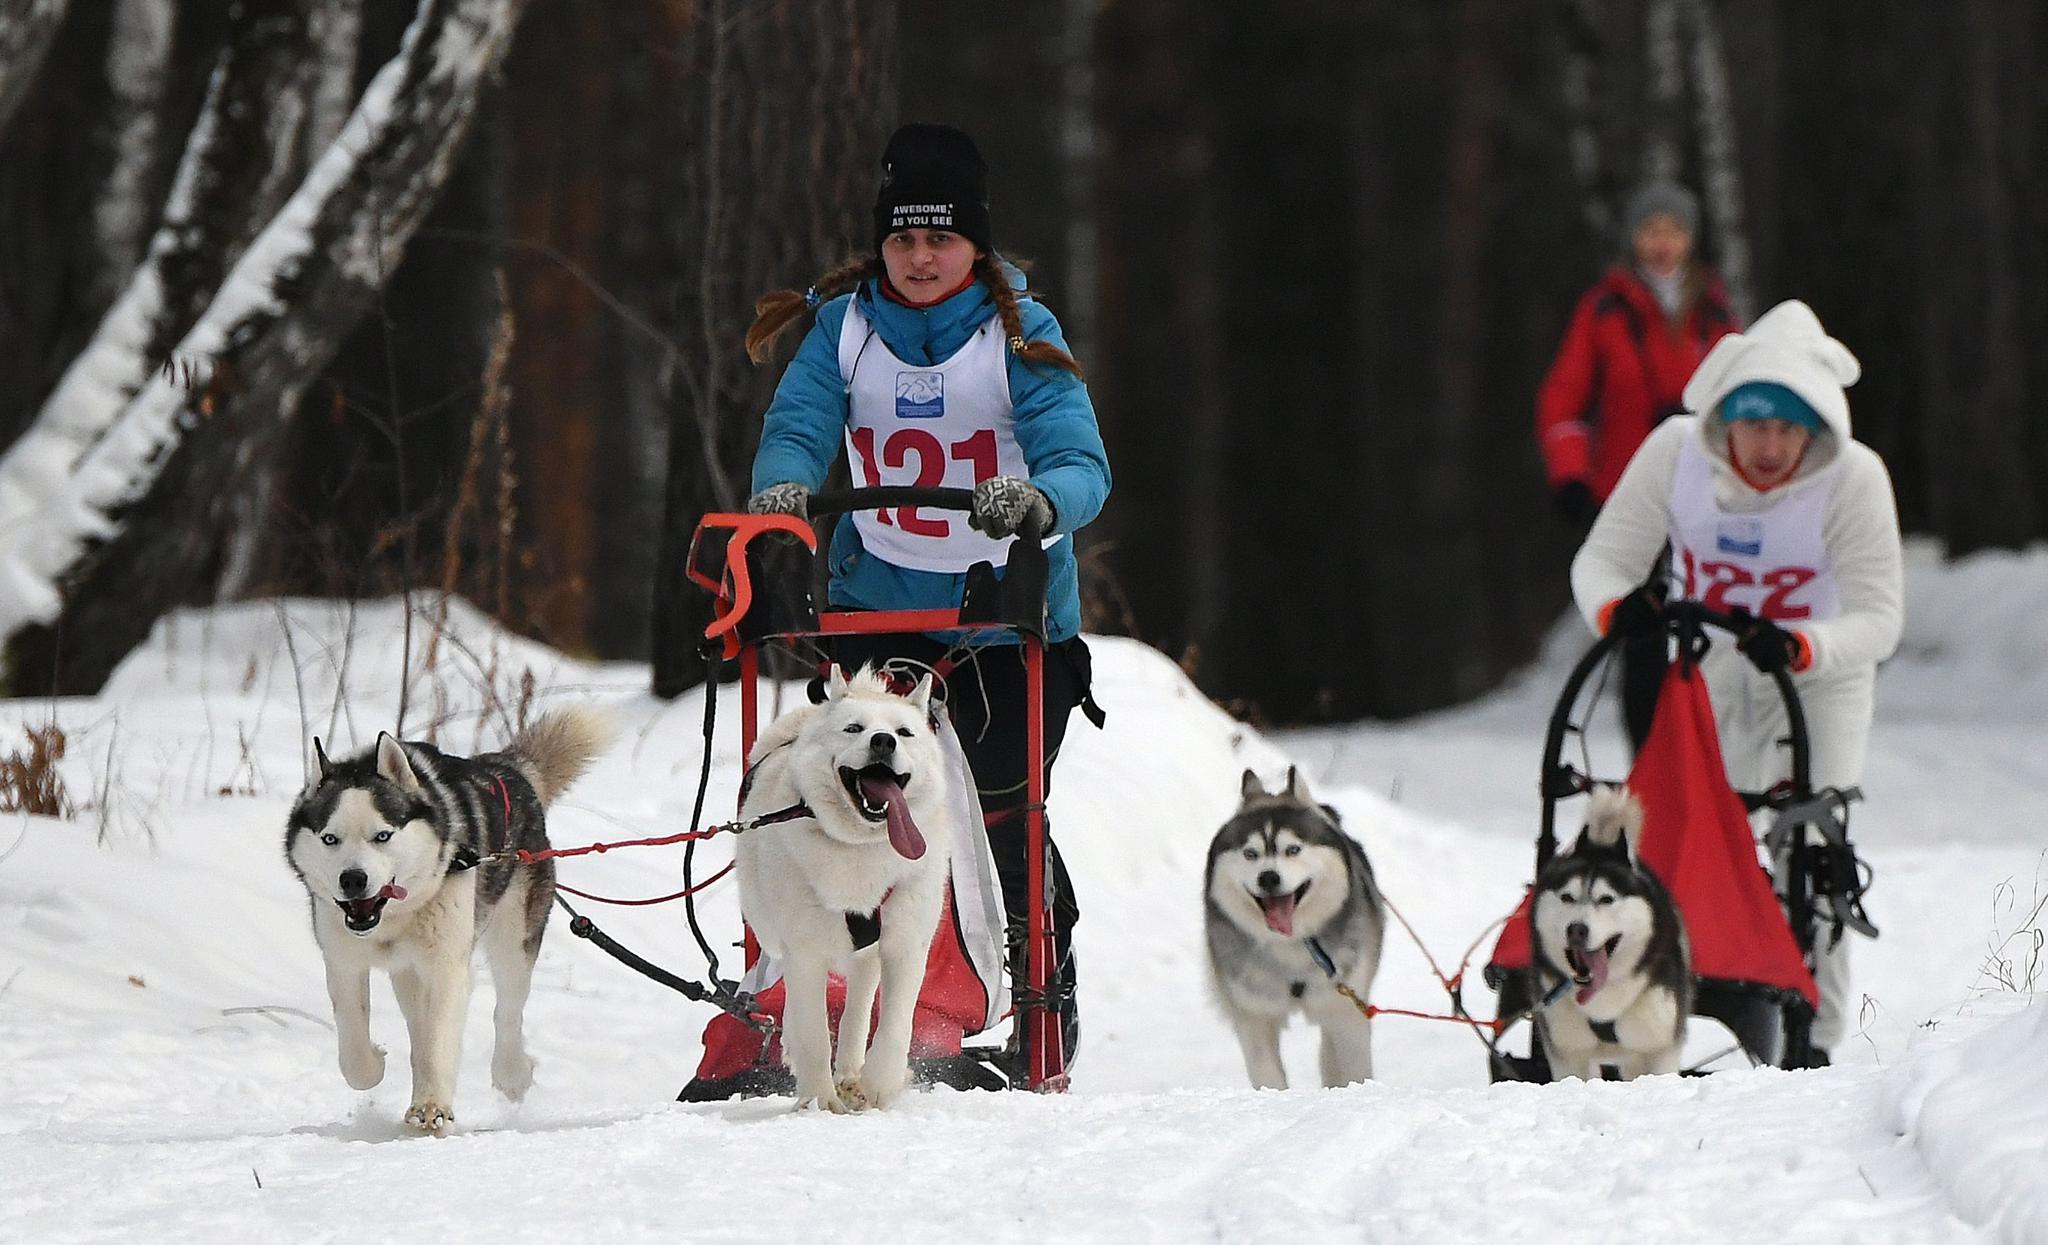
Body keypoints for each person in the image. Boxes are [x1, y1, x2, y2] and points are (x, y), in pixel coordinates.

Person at [743, 122, 1111, 1074]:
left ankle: (1039, 982)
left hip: (1007, 614)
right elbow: (798, 423)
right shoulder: (845, 326)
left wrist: (1038, 499)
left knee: (997, 805)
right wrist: (781, 488)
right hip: (878, 609)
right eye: (903, 239)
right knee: (843, 803)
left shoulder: (1020, 330)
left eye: (939, 240)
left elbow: (1080, 460)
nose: (919, 258)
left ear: (975, 247)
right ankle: (827, 1006)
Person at [1570, 299, 1904, 1066]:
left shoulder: (1853, 479)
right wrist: (1621, 610)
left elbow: (1880, 618)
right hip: (1708, 673)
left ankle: (1810, 1031)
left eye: (1791, 428)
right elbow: (1603, 561)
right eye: (1756, 424)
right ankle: (1658, 998)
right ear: (1725, 417)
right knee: (1679, 834)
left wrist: (1801, 644)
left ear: (1818, 429)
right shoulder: (1674, 453)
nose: (1771, 444)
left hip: (1818, 679)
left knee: (1811, 846)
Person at [1537, 180, 1741, 747]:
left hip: (1704, 492)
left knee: (1709, 625)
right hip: (1629, 495)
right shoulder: (1603, 308)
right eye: (1651, 230)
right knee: (1643, 634)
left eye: (1673, 230)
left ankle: (1709, 755)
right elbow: (1563, 397)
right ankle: (1649, 761)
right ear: (1634, 238)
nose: (1662, 243)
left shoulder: (1715, 307)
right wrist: (1570, 475)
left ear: (1690, 239)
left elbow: (1742, 397)